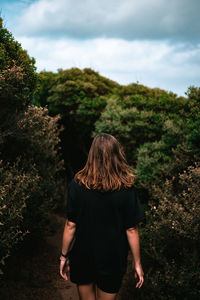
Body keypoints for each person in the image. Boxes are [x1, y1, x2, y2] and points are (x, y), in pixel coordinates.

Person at [60, 133, 145, 300]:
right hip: (112, 260)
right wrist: (137, 263)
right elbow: (131, 229)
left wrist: (63, 256)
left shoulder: (77, 185)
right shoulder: (126, 188)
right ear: (116, 155)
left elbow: (71, 224)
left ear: (92, 155)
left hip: (83, 257)